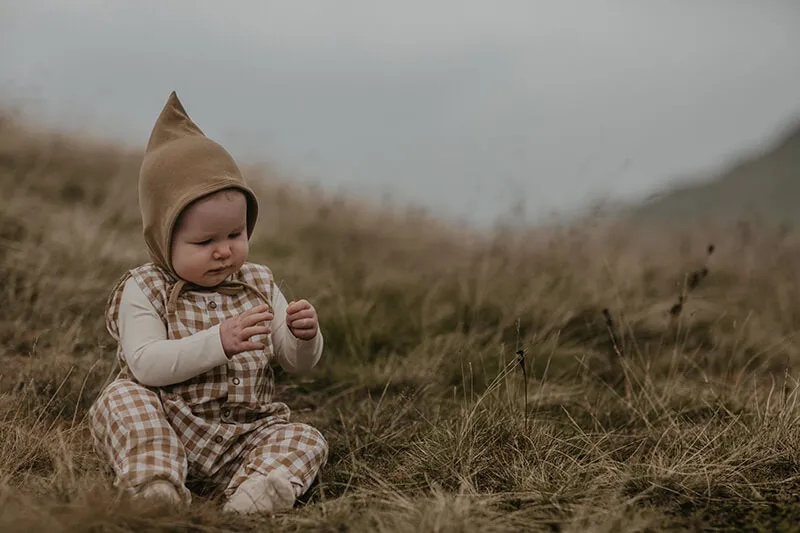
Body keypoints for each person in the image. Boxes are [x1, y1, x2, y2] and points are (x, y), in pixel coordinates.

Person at [88, 91, 328, 515]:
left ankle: (253, 494)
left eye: (235, 235)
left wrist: (301, 336)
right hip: (168, 425)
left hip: (244, 433)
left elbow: (296, 364)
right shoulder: (144, 287)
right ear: (163, 239)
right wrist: (218, 340)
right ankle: (155, 486)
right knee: (122, 399)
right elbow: (146, 363)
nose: (223, 252)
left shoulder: (258, 282)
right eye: (204, 242)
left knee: (306, 437)